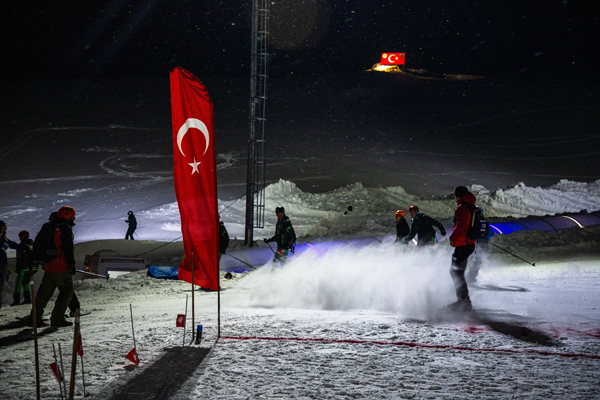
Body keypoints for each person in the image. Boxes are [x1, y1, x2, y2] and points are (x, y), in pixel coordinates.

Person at [29, 206, 77, 327]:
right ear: (67, 216)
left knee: (44, 293)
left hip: (49, 264)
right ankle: (57, 319)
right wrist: (71, 264)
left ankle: (34, 319)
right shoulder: (64, 228)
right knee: (67, 292)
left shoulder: (49, 225)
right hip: (60, 266)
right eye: (72, 215)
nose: (74, 218)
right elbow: (67, 248)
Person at [447, 186, 477, 311]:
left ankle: (463, 301)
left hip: (463, 244)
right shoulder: (470, 206)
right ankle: (464, 300)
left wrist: (452, 238)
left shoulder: (462, 207)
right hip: (468, 244)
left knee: (456, 272)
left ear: (457, 196)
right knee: (457, 272)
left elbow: (461, 226)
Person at [466, 209, 494, 284]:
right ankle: (471, 278)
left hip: (471, 242)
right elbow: (491, 234)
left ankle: (462, 276)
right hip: (483, 243)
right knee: (478, 260)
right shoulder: (484, 221)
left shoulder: (470, 221)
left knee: (467, 258)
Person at [11, 230, 35, 306]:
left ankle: (16, 300)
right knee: (25, 283)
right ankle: (27, 299)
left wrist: (18, 268)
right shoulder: (32, 245)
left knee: (18, 283)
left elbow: (20, 258)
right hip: (31, 268)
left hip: (23, 268)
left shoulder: (22, 246)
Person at [0, 221, 19, 310]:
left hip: (2, 265)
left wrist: (25, 247)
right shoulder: (3, 240)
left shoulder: (4, 239)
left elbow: (13, 245)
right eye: (4, 226)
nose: (6, 228)